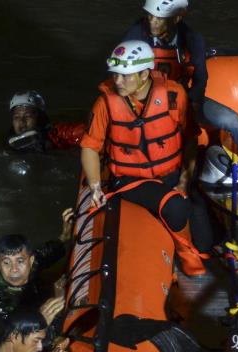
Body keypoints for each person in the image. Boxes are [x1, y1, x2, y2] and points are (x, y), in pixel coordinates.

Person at [79, 40, 207, 275]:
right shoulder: (105, 103)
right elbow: (90, 146)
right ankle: (185, 255)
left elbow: (190, 137)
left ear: (145, 74)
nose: (117, 81)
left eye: (125, 76)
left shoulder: (174, 95)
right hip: (129, 180)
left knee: (208, 237)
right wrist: (96, 186)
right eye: (115, 75)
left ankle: (193, 243)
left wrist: (185, 179)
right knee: (176, 207)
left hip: (171, 173)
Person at [121, 0, 238, 179]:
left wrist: (192, 102)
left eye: (159, 18)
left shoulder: (193, 39)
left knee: (232, 120)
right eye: (150, 16)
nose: (152, 21)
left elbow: (201, 78)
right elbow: (123, 73)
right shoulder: (137, 33)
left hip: (183, 99)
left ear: (176, 18)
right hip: (146, 101)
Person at [0, 208, 74, 323]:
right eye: (6, 263)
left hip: (38, 291)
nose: (14, 269)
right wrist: (56, 299)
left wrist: (64, 237)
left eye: (20, 261)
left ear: (31, 261)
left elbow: (46, 252)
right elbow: (17, 331)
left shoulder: (33, 263)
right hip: (28, 317)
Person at [7, 91, 86, 152]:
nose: (21, 121)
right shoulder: (9, 142)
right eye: (16, 117)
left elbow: (86, 132)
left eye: (28, 116)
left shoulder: (56, 133)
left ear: (40, 117)